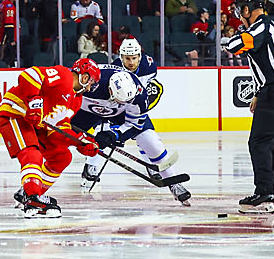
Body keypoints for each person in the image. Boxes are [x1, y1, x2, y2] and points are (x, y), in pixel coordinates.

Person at [223, 0, 274, 213]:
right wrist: (258, 92)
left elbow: (238, 44)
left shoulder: (261, 26)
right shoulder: (268, 27)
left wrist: (228, 41)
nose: (239, 13)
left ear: (248, 9)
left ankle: (264, 194)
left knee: (259, 142)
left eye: (241, 9)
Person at [0, 57, 101, 217]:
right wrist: (34, 102)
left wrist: (80, 141)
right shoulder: (63, 75)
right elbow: (29, 75)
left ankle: (28, 192)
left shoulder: (76, 101)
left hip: (38, 127)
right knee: (32, 154)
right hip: (16, 114)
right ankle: (33, 197)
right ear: (85, 77)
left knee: (62, 157)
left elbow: (57, 132)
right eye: (92, 82)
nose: (91, 87)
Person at [72, 62, 189, 204]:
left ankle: (174, 183)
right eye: (118, 100)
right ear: (109, 89)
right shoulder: (92, 80)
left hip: (121, 114)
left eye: (124, 101)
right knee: (56, 137)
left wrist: (114, 135)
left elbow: (134, 124)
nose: (120, 102)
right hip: (86, 110)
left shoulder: (139, 96)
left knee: (151, 142)